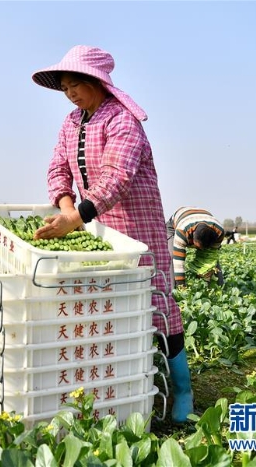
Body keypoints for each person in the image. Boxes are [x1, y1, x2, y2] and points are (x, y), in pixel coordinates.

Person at [31, 45, 193, 423]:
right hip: (96, 231)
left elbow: (116, 177)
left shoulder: (122, 120)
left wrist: (77, 217)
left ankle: (183, 389)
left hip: (137, 228)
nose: (70, 93)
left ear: (97, 82)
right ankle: (118, 389)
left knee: (157, 304)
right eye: (66, 87)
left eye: (76, 85)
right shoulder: (71, 123)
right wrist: (67, 206)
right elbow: (57, 166)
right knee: (107, 307)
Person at [166, 207, 225, 288]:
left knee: (212, 260)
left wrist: (205, 273)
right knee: (171, 256)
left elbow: (211, 256)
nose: (201, 250)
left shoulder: (220, 232)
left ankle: (219, 287)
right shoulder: (182, 231)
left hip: (203, 218)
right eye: (199, 247)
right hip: (175, 224)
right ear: (192, 238)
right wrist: (181, 285)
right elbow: (178, 261)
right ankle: (172, 291)